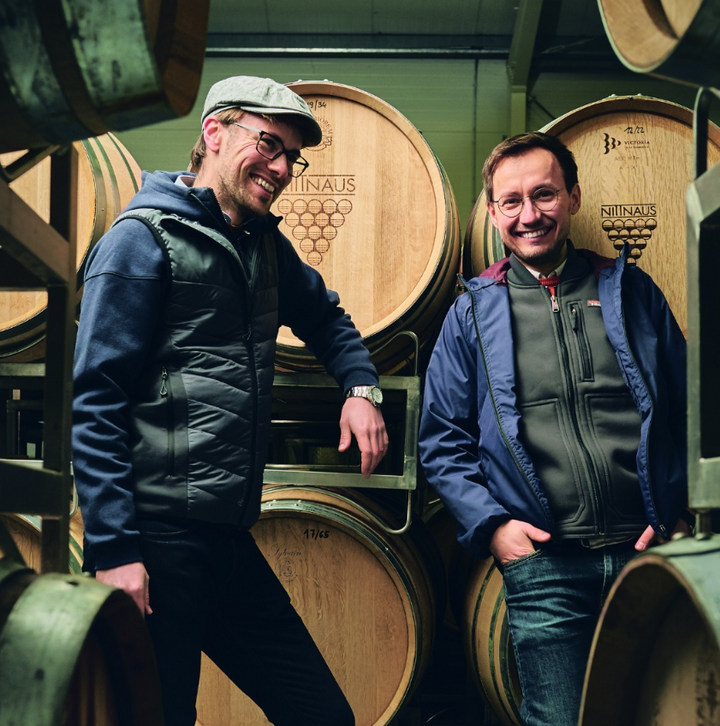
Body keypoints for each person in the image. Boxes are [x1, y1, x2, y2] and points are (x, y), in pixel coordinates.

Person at [72, 75, 389, 726]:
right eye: (269, 144)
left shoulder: (264, 246)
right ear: (214, 133)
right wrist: (114, 552)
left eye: (292, 157)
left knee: (322, 714)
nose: (281, 169)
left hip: (226, 537)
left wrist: (361, 389)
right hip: (156, 541)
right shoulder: (142, 240)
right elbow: (95, 400)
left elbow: (327, 319)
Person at [418, 131, 690, 726]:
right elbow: (442, 442)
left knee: (661, 714)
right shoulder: (472, 311)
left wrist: (675, 511)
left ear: (573, 197)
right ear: (493, 213)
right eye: (511, 201)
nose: (529, 214)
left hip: (647, 553)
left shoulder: (630, 290)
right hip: (545, 565)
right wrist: (494, 529)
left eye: (543, 194)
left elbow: (687, 409)